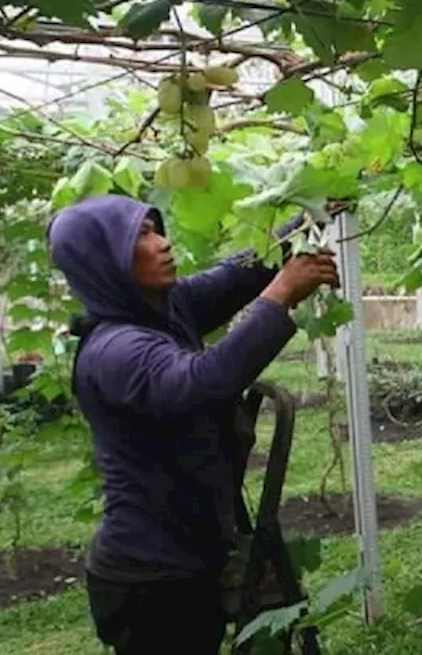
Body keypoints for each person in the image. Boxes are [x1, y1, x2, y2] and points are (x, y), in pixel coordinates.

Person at [46, 194, 340, 655]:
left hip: (182, 556)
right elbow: (205, 383)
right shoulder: (115, 351)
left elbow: (232, 277)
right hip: (149, 578)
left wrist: (304, 221)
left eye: (155, 228)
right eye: (140, 236)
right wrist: (282, 293)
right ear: (104, 262)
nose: (162, 243)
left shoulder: (162, 308)